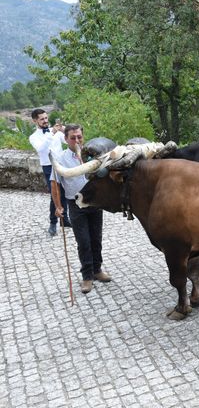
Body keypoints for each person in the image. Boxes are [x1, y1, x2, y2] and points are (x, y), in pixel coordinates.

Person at [50, 124, 111, 294]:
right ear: (66, 139)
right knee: (83, 241)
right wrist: (58, 206)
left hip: (95, 202)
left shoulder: (93, 154)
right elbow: (55, 183)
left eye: (79, 137)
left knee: (96, 238)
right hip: (76, 203)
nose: (76, 140)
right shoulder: (61, 158)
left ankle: (97, 270)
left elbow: (103, 174)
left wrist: (82, 157)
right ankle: (87, 276)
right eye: (72, 137)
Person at [28, 108, 71, 235]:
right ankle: (53, 222)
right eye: (42, 119)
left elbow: (68, 141)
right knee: (55, 194)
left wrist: (65, 131)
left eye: (46, 118)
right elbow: (41, 149)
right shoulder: (33, 137)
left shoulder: (56, 132)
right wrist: (51, 133)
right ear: (35, 121)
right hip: (48, 166)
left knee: (65, 192)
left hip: (61, 164)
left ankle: (65, 219)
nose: (45, 121)